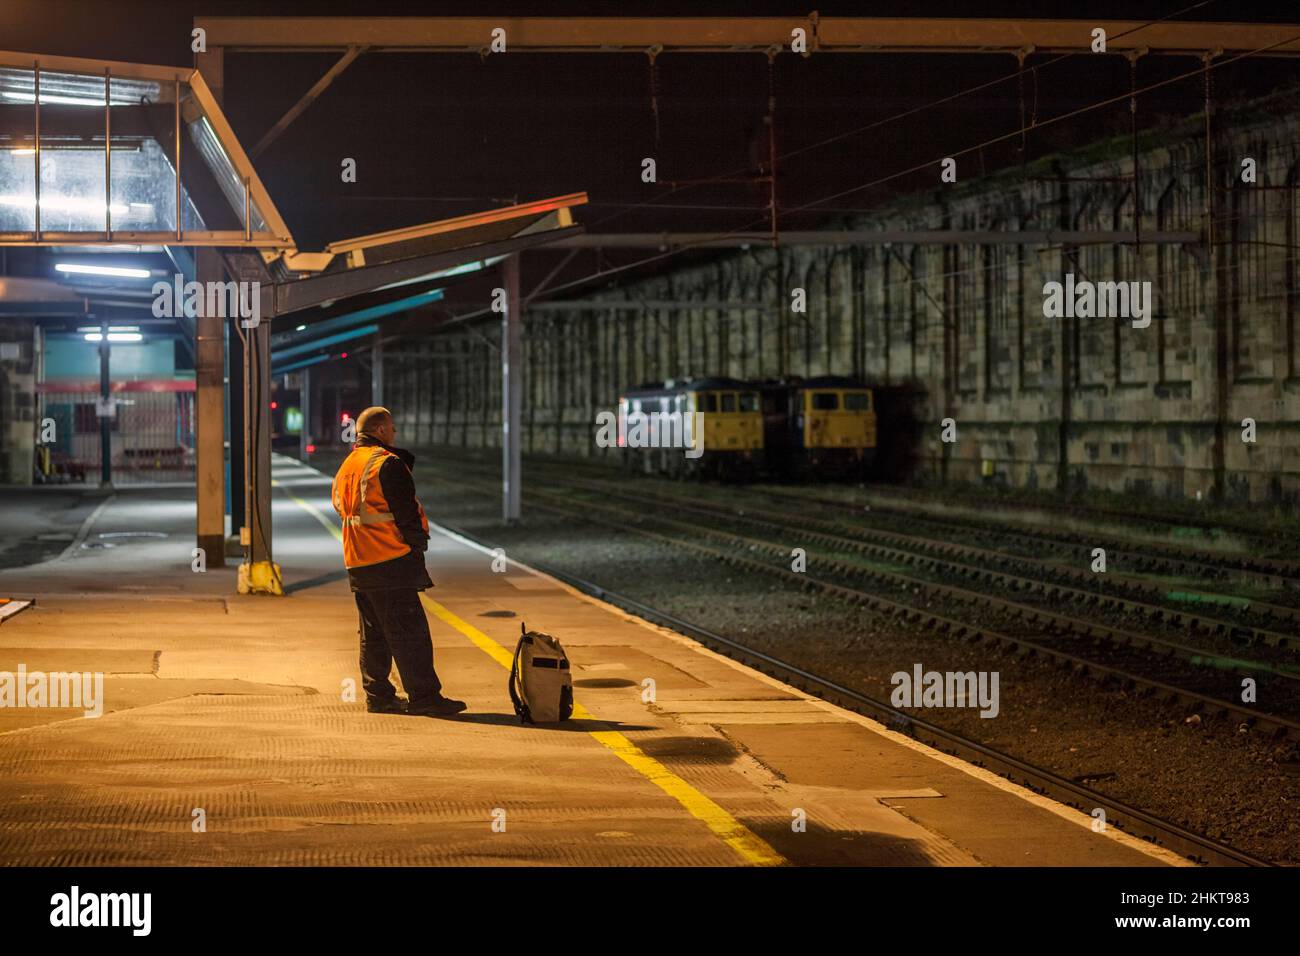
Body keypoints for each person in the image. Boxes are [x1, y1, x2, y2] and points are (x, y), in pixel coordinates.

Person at [331, 406, 467, 718]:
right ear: (380, 430)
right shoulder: (387, 464)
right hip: (390, 558)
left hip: (357, 560)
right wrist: (416, 545)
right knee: (410, 631)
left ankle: (379, 696)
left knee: (373, 633)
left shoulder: (347, 465)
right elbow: (406, 512)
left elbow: (340, 507)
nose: (394, 434)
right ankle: (424, 698)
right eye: (391, 428)